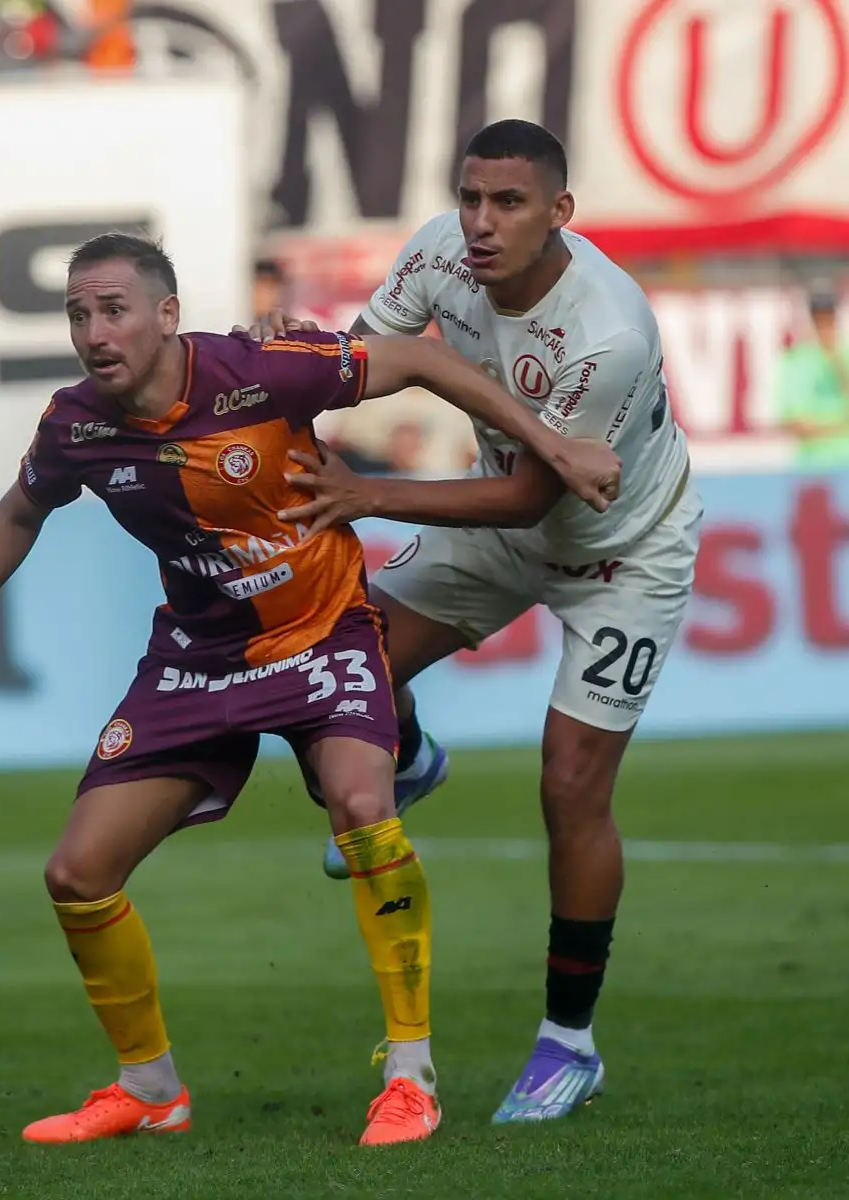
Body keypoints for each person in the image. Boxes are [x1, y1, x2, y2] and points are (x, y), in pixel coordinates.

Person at [0, 232, 620, 1148]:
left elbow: (420, 356)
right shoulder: (76, 425)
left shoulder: (259, 371)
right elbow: (21, 510)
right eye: (77, 313)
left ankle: (411, 1076)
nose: (93, 332)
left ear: (166, 314)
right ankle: (150, 1089)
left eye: (113, 309)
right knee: (76, 873)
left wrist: (548, 444)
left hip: (323, 632)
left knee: (358, 804)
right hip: (200, 660)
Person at [252, 119, 703, 1123]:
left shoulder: (609, 333)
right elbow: (358, 364)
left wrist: (369, 496)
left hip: (620, 552)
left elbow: (530, 504)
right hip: (500, 509)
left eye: (509, 204)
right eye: (471, 198)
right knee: (333, 662)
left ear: (560, 214)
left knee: (571, 781)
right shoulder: (435, 254)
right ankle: (406, 756)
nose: (482, 223)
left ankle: (568, 1045)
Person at [776, 282, 849, 469]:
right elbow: (796, 422)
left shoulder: (843, 354)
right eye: (819, 318)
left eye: (829, 317)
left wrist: (836, 360)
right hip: (813, 466)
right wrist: (839, 425)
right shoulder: (796, 361)